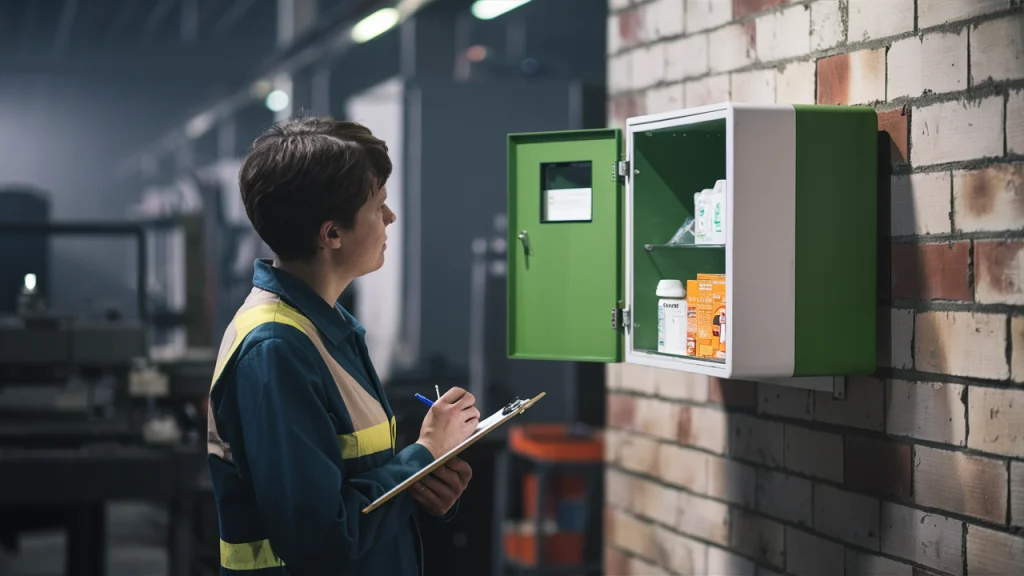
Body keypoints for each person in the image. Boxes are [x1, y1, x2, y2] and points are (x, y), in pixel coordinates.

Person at [206, 117, 480, 575]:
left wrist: (424, 486)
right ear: (332, 234)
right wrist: (422, 453)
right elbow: (323, 542)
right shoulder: (276, 349)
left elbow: (352, 489)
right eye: (379, 206)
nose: (390, 218)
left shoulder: (326, 329)